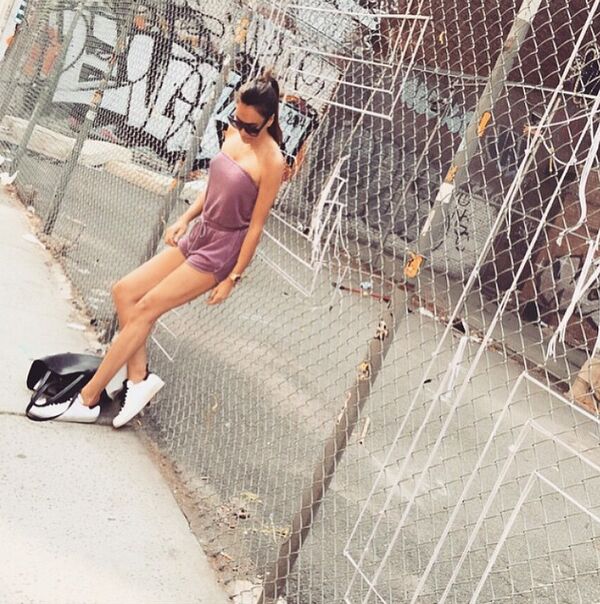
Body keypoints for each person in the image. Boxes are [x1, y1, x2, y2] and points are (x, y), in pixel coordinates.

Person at [40, 70, 285, 427]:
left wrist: (232, 277)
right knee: (124, 291)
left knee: (146, 309)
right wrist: (185, 218)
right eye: (238, 121)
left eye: (252, 127)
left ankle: (88, 398)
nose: (244, 131)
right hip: (201, 233)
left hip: (221, 250)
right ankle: (138, 380)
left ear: (270, 121)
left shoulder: (272, 162)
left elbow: (256, 227)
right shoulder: (233, 135)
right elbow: (214, 188)